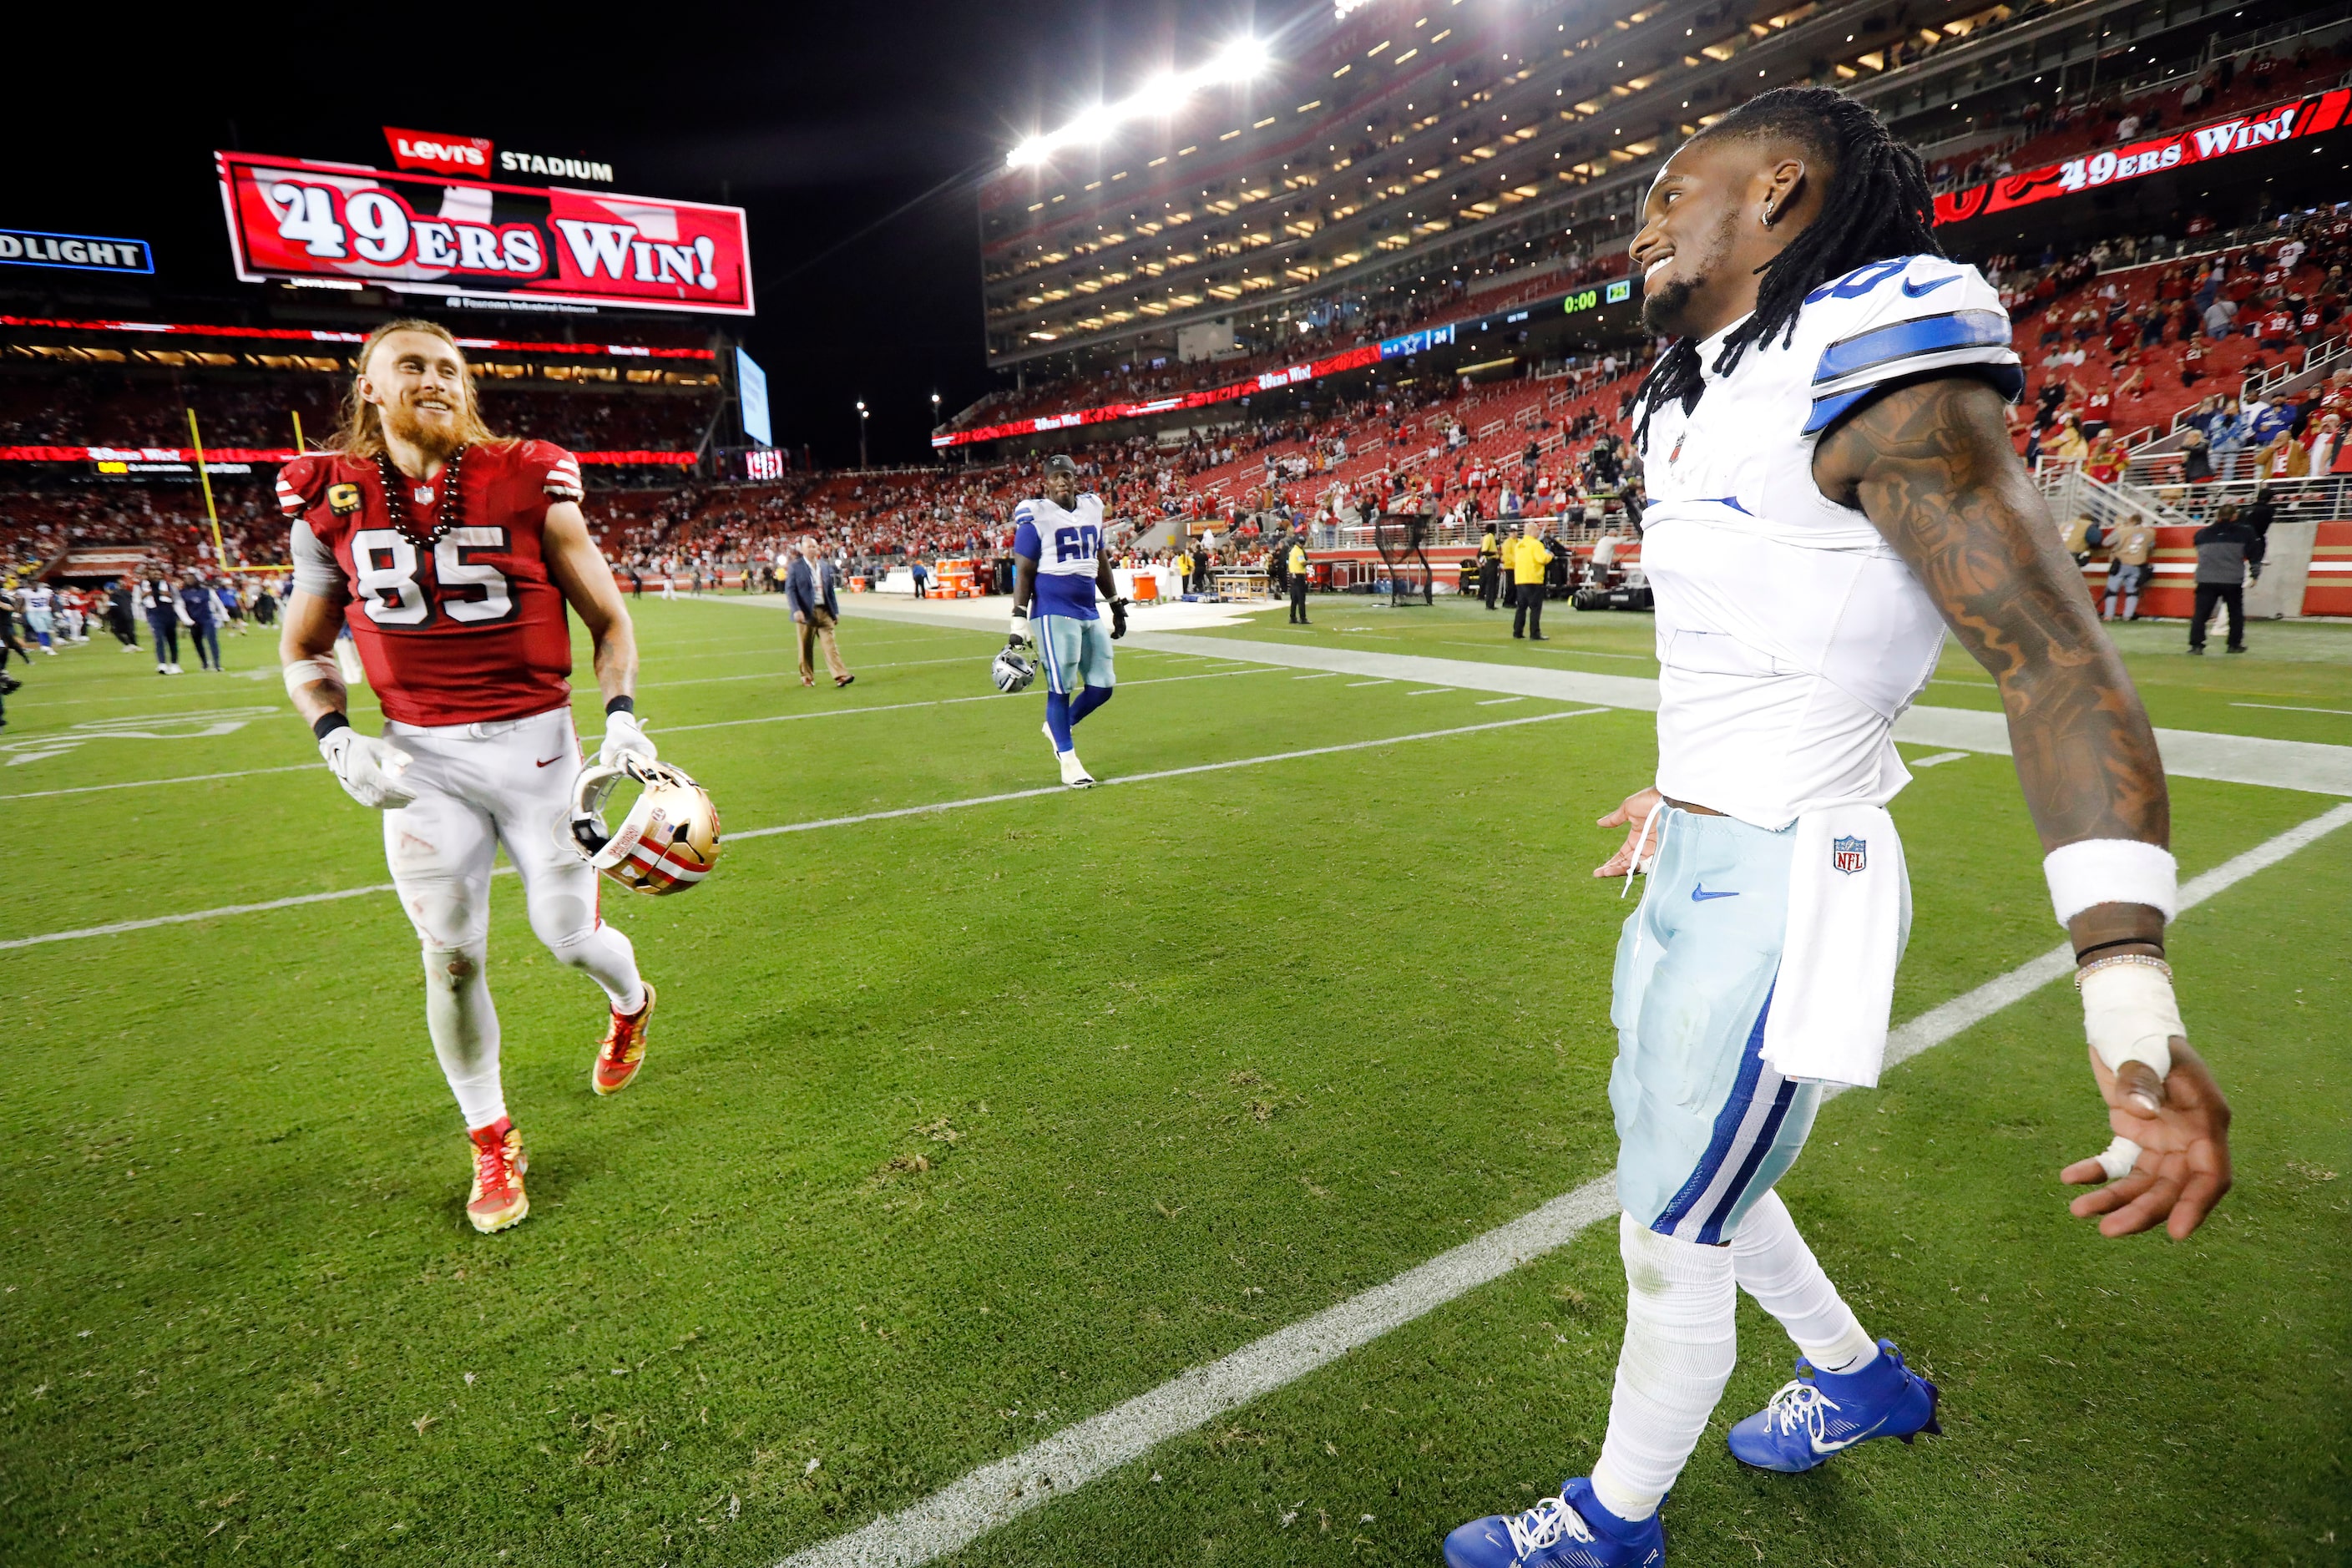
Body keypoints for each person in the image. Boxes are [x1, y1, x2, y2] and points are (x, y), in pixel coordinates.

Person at [1444, 87, 2229, 1568]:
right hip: (1696, 850)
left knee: (1667, 1230)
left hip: (1795, 878)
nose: (1645, 218)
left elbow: (2053, 656)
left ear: (1785, 191)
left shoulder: (1869, 345)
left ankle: (1615, 1518)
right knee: (1684, 1171)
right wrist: (1678, 779)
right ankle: (1860, 1379)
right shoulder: (1700, 386)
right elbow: (1770, 638)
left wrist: (2129, 995)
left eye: (1679, 187)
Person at [276, 318, 660, 1236]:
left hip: (540, 751)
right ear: (369, 386)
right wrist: (334, 735)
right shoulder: (326, 495)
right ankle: (490, 1134)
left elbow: (607, 620)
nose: (436, 380)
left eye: (450, 368)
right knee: (449, 957)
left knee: (568, 937)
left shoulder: (528, 474)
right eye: (411, 366)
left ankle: (632, 1002)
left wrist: (619, 717)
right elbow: (303, 646)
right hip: (422, 759)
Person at [1005, 453, 1125, 789]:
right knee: (1061, 686)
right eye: (1055, 476)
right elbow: (1025, 571)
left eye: (1067, 475)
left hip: (1088, 607)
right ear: (1046, 481)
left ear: (1076, 479)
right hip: (1053, 609)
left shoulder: (1091, 507)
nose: (1062, 481)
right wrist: (1018, 618)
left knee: (1103, 685)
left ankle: (1058, 727)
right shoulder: (1035, 516)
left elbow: (1099, 559)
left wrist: (1115, 604)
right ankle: (1069, 761)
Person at [787, 536, 854, 688]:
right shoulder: (795, 566)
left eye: (814, 546)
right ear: (802, 549)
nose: (812, 549)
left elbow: (830, 591)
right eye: (809, 547)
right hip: (806, 611)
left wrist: (835, 611)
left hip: (824, 610)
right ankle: (806, 676)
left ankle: (840, 675)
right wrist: (796, 609)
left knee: (830, 644)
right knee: (805, 647)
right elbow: (790, 590)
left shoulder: (824, 566)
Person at [2188, 506, 2250, 655]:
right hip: (2232, 578)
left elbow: (2198, 548)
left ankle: (2197, 645)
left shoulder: (2202, 533)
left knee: (2201, 614)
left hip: (2206, 577)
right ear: (2235, 516)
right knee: (2235, 613)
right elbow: (2252, 553)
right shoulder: (2245, 532)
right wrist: (2255, 572)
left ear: (2218, 516)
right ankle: (2234, 644)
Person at [2103, 513, 2157, 620]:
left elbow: (2106, 542)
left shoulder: (2122, 531)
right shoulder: (2150, 533)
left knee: (2112, 591)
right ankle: (2128, 616)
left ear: (2130, 521)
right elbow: (2151, 546)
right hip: (2138, 564)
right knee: (2132, 591)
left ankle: (2109, 615)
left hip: (2120, 564)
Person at [1510, 519, 1553, 640]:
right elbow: (1542, 559)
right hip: (1533, 579)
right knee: (1535, 608)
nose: (1539, 532)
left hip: (1520, 579)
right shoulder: (1536, 544)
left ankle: (1517, 632)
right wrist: (1550, 555)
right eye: (1537, 530)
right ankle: (1535, 633)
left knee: (1521, 607)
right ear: (1532, 531)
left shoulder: (1519, 545)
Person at [139, 573, 183, 675]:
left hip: (169, 613)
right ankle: (162, 663)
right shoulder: (142, 585)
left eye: (158, 574)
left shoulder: (168, 585)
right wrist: (147, 594)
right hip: (154, 614)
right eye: (154, 574)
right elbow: (137, 599)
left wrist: (165, 594)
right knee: (159, 639)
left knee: (172, 640)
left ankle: (174, 664)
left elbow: (177, 598)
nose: (156, 576)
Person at [180, 573, 223, 672]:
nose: (189, 580)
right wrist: (186, 620)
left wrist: (223, 615)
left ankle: (217, 664)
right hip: (193, 621)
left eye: (191, 578)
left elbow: (217, 602)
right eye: (187, 579)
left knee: (212, 641)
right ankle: (204, 663)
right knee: (197, 642)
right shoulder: (182, 593)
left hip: (207, 618)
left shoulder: (206, 591)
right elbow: (180, 607)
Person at [1287, 534, 1311, 625]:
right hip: (1299, 576)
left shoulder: (1292, 550)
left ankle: (1292, 617)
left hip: (1292, 575)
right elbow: (1302, 563)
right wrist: (1309, 562)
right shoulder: (1299, 551)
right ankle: (1303, 618)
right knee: (1301, 598)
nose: (1302, 544)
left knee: (1294, 599)